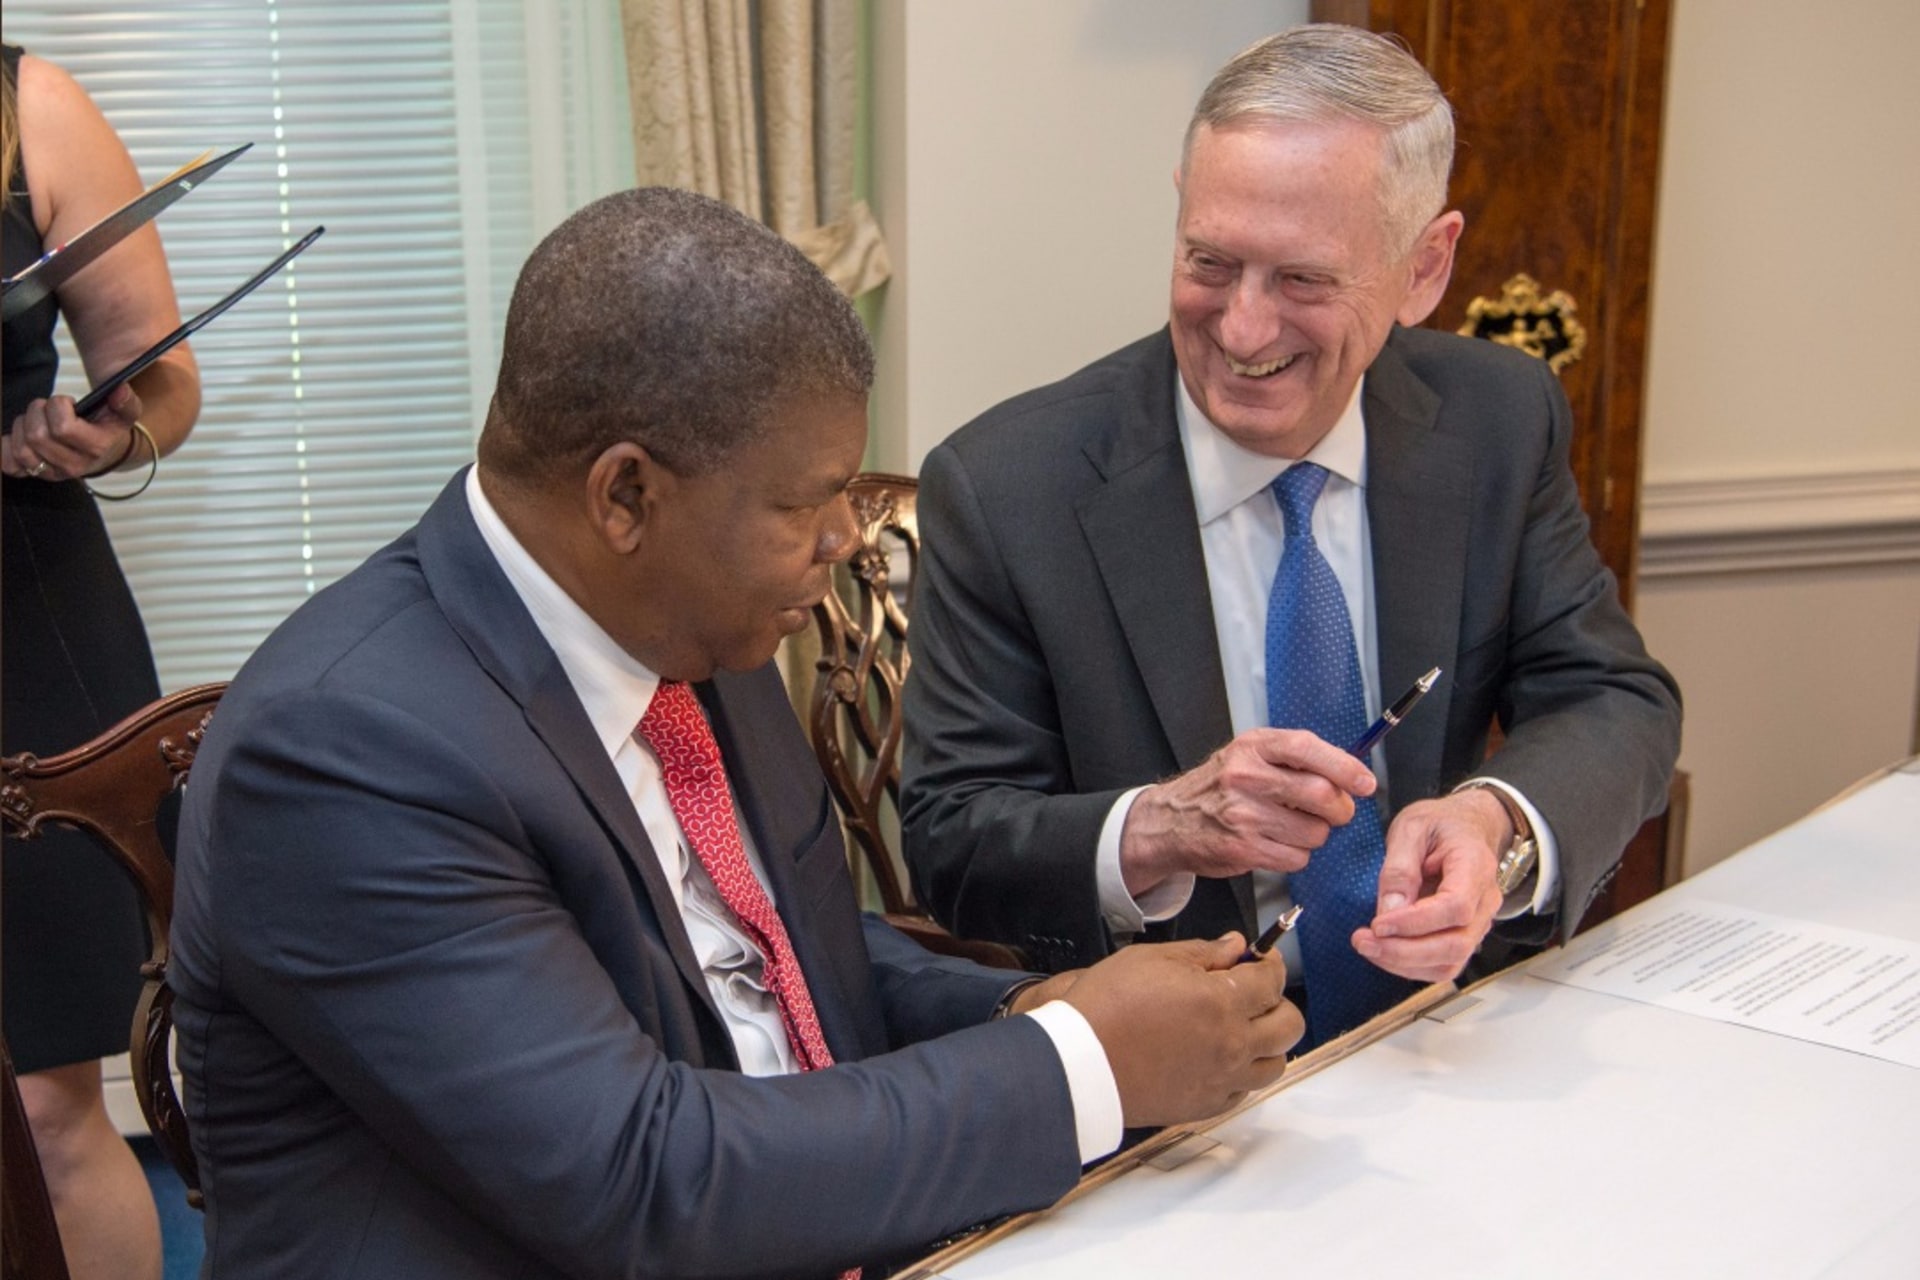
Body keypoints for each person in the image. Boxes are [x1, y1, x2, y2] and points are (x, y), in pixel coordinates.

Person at [169, 187, 1301, 1280]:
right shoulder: (346, 753)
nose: (847, 539)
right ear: (626, 496)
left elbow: (808, 977)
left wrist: (1032, 1010)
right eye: (806, 503)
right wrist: (1076, 1065)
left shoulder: (694, 623)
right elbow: (637, 1179)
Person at [900, 25, 1682, 1050]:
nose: (1243, 330)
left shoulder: (1497, 418)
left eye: (1304, 280)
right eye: (1210, 263)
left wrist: (1495, 822)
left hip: (1444, 1041)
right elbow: (952, 842)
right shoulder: (1010, 486)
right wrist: (1162, 825)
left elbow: (1613, 696)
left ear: (1424, 267)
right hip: (1172, 1092)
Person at [2, 43, 201, 1280]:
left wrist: (101, 435)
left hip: (22, 624)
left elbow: (164, 386)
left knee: (45, 1107)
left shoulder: (32, 109)